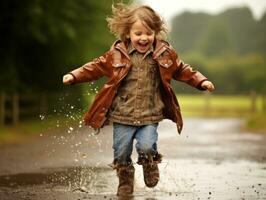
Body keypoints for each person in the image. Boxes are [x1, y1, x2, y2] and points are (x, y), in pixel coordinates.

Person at [63, 3, 214, 196]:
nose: (144, 38)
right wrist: (74, 76)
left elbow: (182, 70)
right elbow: (95, 67)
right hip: (122, 115)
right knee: (121, 151)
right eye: (138, 33)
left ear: (156, 33)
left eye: (149, 33)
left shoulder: (164, 54)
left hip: (150, 115)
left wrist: (202, 81)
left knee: (147, 145)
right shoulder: (116, 54)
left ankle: (150, 164)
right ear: (128, 34)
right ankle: (125, 178)